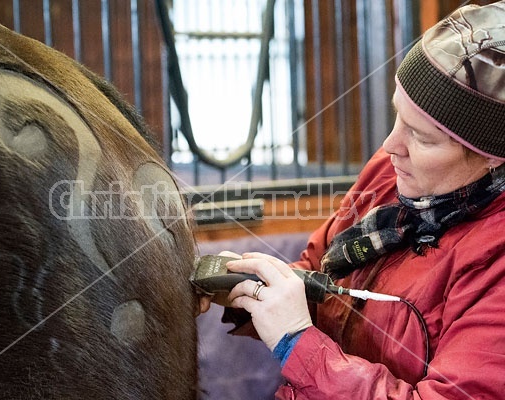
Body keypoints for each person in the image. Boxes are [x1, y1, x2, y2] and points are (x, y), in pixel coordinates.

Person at [199, 2, 505, 398]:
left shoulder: (493, 263)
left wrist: (298, 343)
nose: (391, 146)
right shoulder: (390, 173)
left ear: (492, 155)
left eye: (423, 138)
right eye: (399, 116)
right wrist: (240, 286)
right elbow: (317, 272)